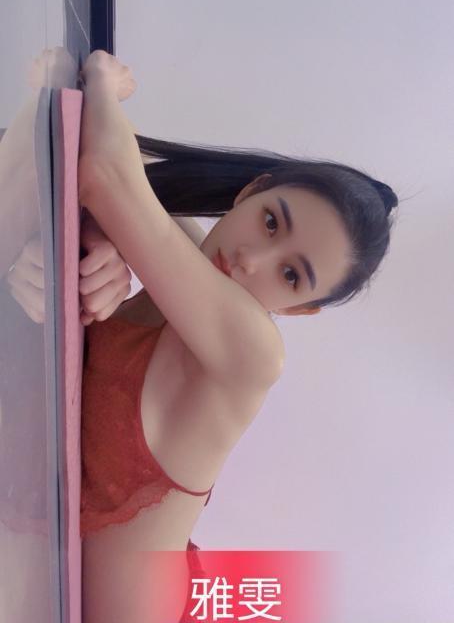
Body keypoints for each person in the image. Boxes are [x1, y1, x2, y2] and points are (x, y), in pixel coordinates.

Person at [15, 49, 401, 623]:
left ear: (301, 310)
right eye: (270, 221)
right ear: (251, 191)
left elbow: (106, 174)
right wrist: (103, 241)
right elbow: (124, 166)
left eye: (290, 275)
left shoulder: (252, 354)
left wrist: (103, 80)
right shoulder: (195, 258)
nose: (250, 260)